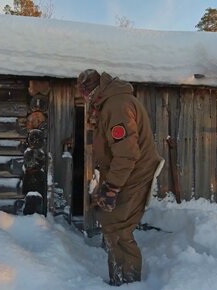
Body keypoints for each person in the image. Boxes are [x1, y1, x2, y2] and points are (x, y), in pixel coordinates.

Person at [77, 69, 162, 286]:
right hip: (125, 174)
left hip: (134, 175)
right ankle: (119, 279)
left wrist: (112, 187)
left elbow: (126, 153)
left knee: (119, 229)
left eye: (83, 93)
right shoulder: (109, 103)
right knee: (111, 223)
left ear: (91, 90)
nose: (83, 99)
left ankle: (129, 283)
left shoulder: (117, 106)